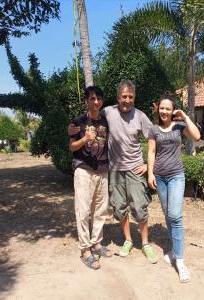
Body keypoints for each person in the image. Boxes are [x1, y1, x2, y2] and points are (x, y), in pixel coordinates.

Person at [102, 80, 157, 263]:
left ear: (134, 98)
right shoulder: (108, 112)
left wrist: (148, 166)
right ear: (118, 97)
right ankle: (128, 240)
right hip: (115, 170)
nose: (127, 100)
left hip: (135, 169)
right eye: (124, 96)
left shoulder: (140, 116)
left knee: (139, 208)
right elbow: (91, 119)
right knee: (119, 208)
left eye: (130, 97)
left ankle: (145, 243)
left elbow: (154, 137)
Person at [147, 93, 200, 282]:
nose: (164, 111)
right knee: (168, 215)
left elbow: (197, 136)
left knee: (175, 216)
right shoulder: (153, 129)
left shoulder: (179, 126)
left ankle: (180, 260)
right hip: (160, 177)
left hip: (176, 175)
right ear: (158, 109)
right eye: (162, 108)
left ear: (173, 110)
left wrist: (184, 116)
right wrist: (150, 173)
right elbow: (151, 152)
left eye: (168, 108)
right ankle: (173, 249)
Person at [69, 86, 111, 270]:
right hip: (84, 170)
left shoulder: (106, 120)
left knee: (100, 210)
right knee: (84, 210)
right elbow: (72, 147)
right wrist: (84, 139)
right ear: (86, 101)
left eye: (99, 98)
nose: (96, 102)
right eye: (92, 98)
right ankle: (85, 250)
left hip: (102, 169)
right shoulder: (78, 121)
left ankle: (96, 243)